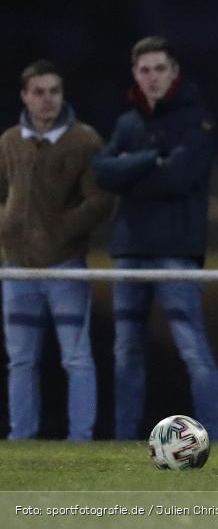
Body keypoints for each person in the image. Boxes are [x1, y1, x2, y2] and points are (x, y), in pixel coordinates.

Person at [92, 36, 218, 440]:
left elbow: (177, 179)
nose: (152, 77)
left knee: (193, 350)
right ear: (135, 74)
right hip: (130, 250)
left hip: (176, 251)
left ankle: (213, 440)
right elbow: (101, 172)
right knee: (125, 351)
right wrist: (151, 160)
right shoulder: (128, 123)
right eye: (144, 70)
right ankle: (123, 439)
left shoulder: (198, 119)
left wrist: (129, 173)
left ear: (174, 72)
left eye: (159, 69)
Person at [0, 60, 114, 440]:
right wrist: (6, 227)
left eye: (54, 91)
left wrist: (61, 229)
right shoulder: (9, 141)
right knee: (20, 361)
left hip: (65, 267)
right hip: (17, 269)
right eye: (39, 92)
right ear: (24, 96)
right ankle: (21, 437)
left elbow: (100, 201)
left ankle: (80, 439)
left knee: (76, 358)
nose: (47, 99)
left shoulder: (85, 141)